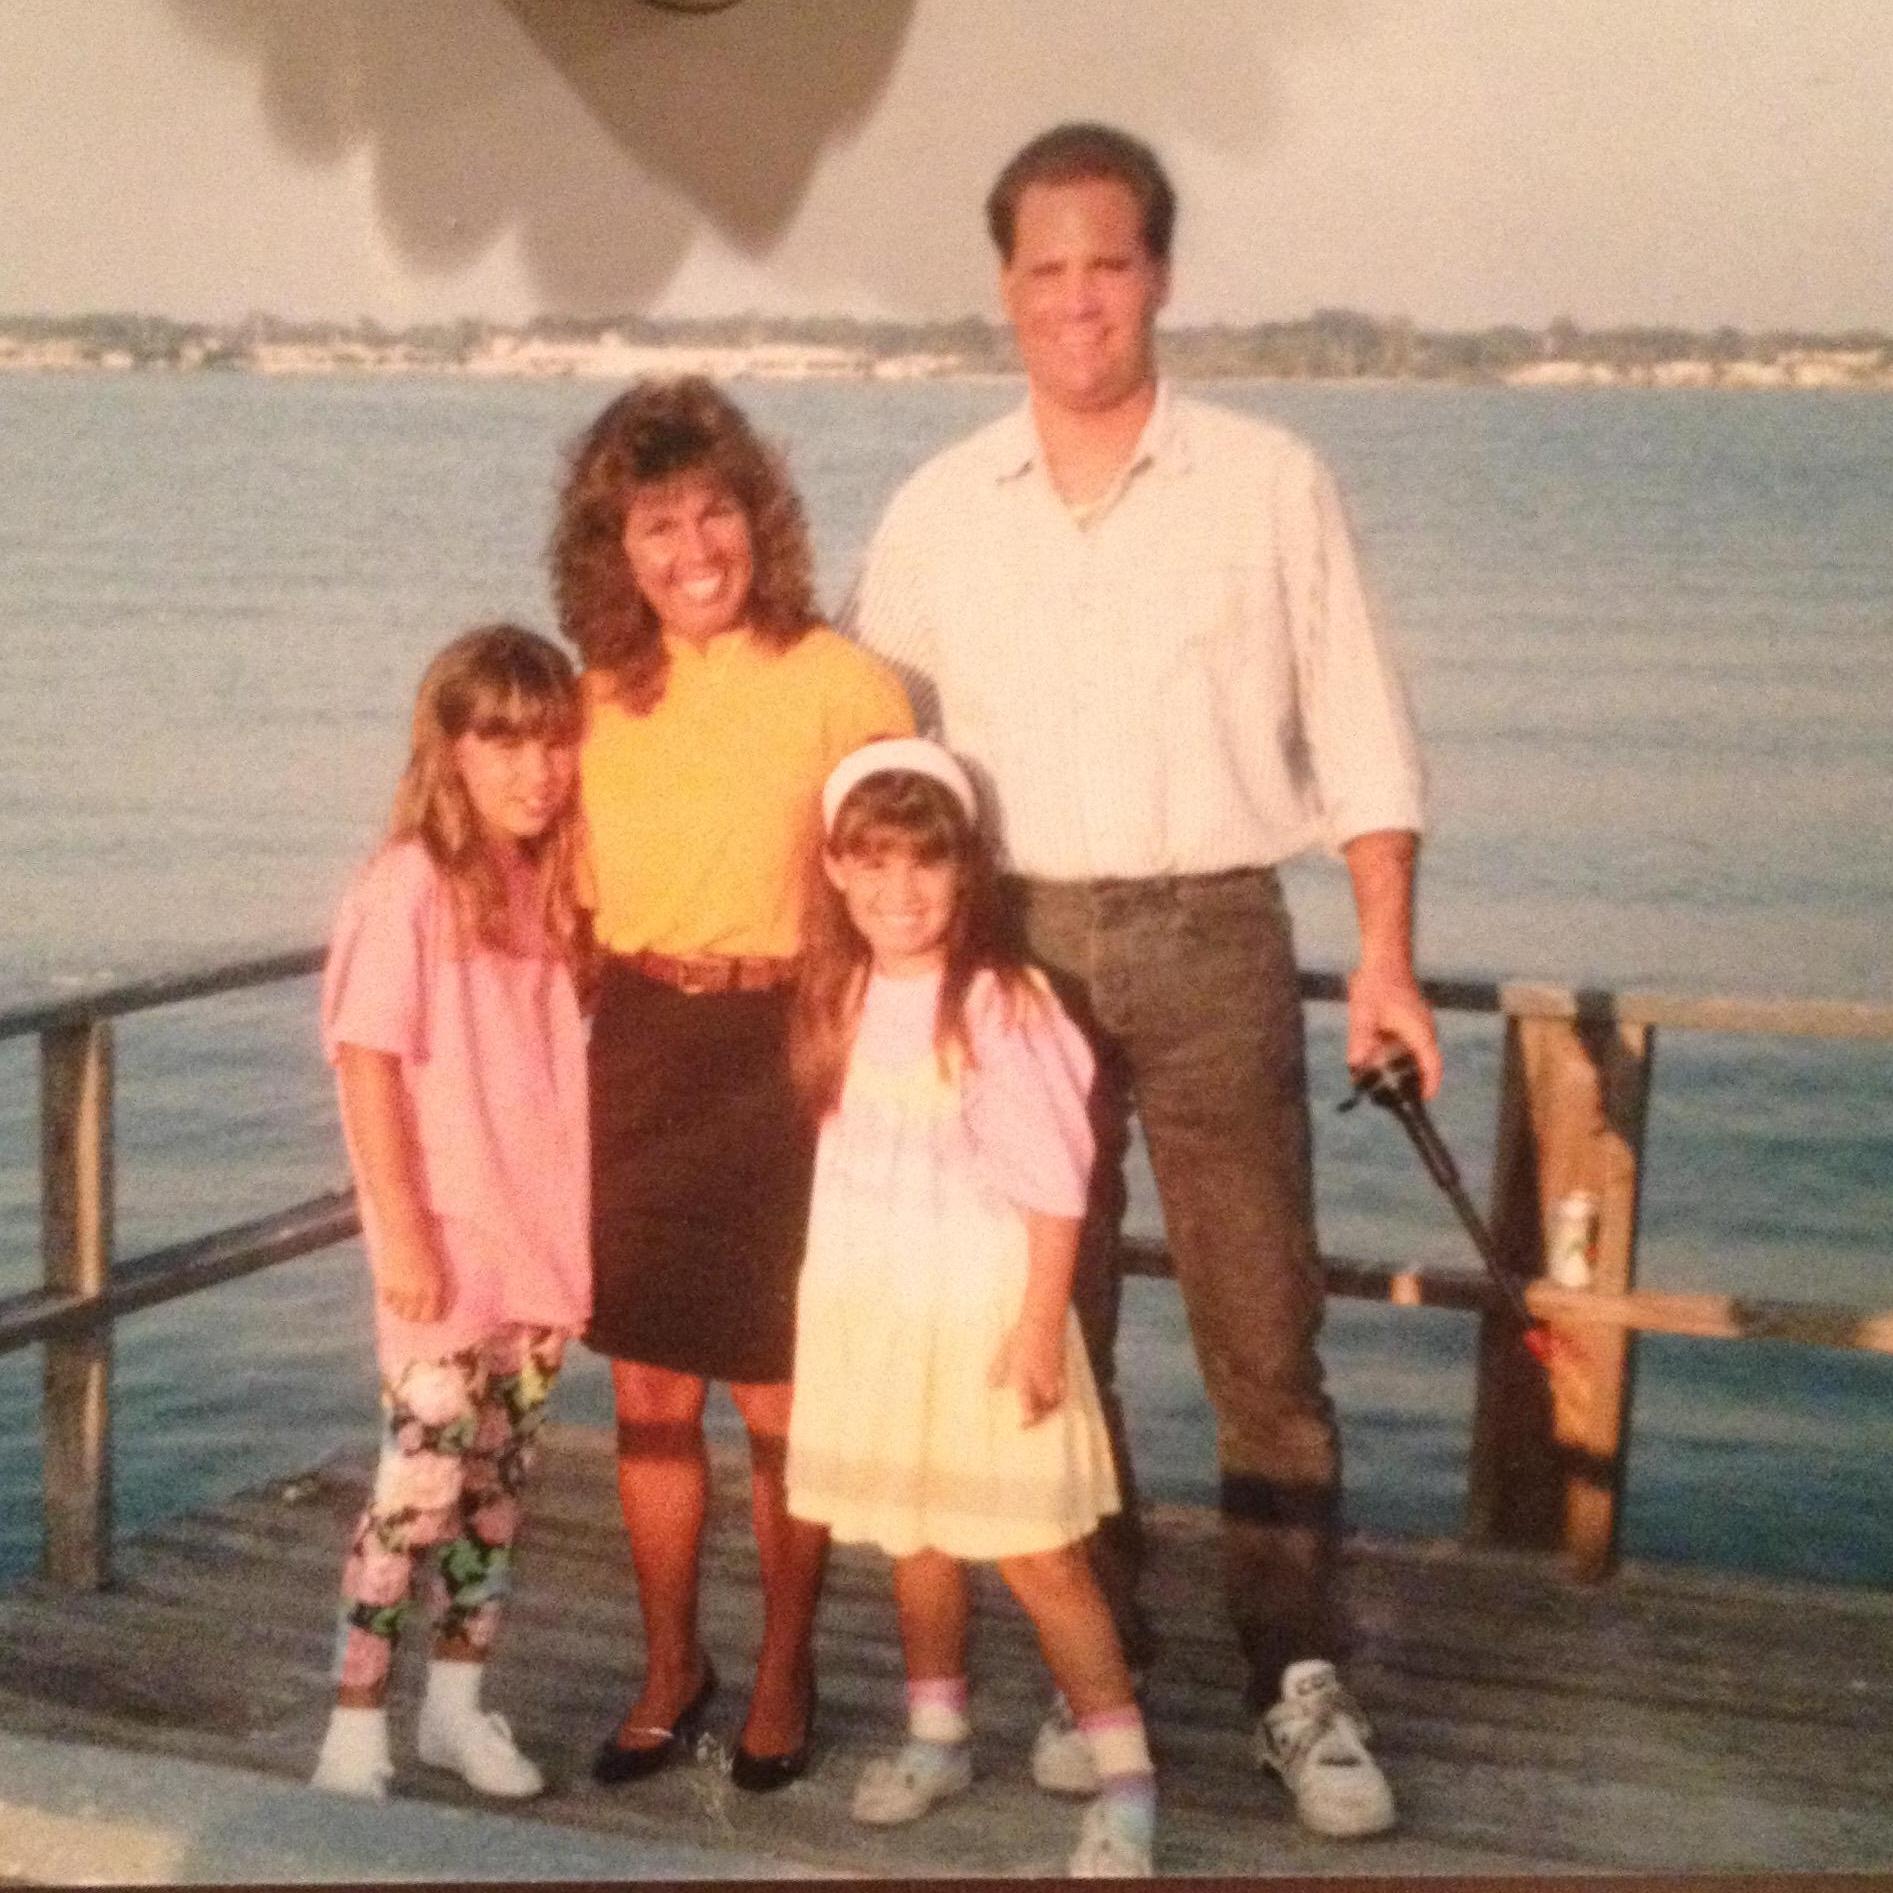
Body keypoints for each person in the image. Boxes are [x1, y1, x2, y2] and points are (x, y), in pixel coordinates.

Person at [845, 123, 1441, 1840]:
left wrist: (1383, 953)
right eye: (1044, 267)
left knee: (1261, 1326)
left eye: (1108, 261)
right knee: (1054, 1327)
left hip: (1214, 935)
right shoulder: (939, 507)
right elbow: (869, 762)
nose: (1077, 298)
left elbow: (1362, 740)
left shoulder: (1267, 480)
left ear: (1160, 275)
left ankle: (1293, 1682)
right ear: (1003, 291)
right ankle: (1089, 1658)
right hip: (1010, 948)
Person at [550, 377, 913, 1792]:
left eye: (714, 512)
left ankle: (780, 1666)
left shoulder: (844, 682)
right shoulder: (590, 698)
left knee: (777, 1396)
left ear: (758, 519)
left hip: (790, 1055)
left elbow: (917, 895)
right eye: (655, 523)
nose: (691, 547)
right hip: (637, 1046)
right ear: (614, 547)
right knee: (647, 1393)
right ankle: (669, 1666)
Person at [785, 738, 1158, 1877]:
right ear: (839, 873)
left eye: (926, 866)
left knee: (1040, 1550)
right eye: (874, 865)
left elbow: (1057, 1185)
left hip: (989, 1317)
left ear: (967, 874)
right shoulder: (837, 994)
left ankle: (1129, 1778)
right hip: (880, 1314)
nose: (900, 892)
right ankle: (938, 1729)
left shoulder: (1001, 1001)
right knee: (917, 1535)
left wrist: (1042, 1326)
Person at [310, 624, 591, 1802]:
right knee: (414, 1495)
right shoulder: (409, 885)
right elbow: (368, 1061)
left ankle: (456, 1710)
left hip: (539, 1249)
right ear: (453, 748)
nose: (535, 768)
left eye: (553, 741)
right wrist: (406, 1236)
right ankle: (353, 1724)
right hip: (446, 1253)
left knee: (494, 1496)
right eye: (503, 740)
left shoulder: (552, 884)